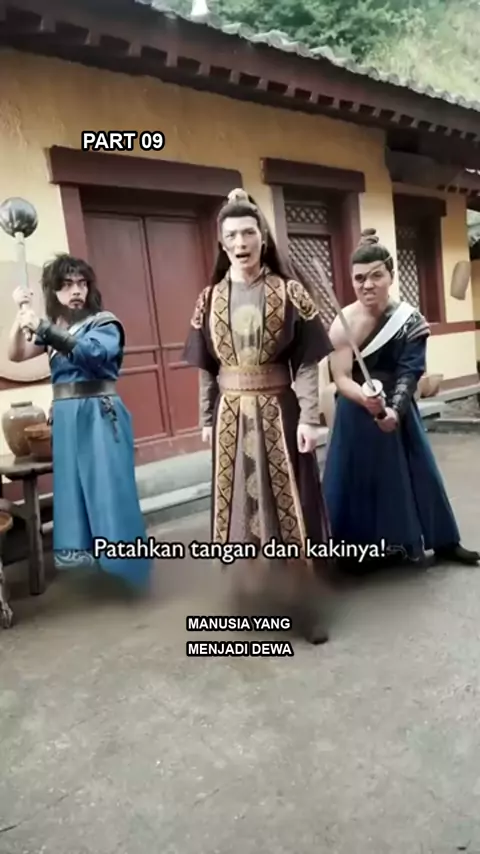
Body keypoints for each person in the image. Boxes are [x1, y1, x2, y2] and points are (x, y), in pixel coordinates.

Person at [183, 188, 334, 643]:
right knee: (240, 509)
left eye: (248, 232)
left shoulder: (289, 292)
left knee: (291, 507)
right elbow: (206, 368)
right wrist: (206, 418)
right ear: (221, 242)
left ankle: (305, 606)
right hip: (230, 415)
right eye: (231, 235)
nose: (240, 242)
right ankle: (254, 602)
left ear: (262, 237)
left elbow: (307, 362)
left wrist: (309, 417)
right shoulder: (208, 299)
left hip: (279, 412)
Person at [323, 228, 479, 572]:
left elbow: (411, 370)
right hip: (356, 410)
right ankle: (359, 553)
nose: (367, 285)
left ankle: (445, 542)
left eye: (376, 276)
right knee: (358, 480)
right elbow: (341, 377)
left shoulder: (410, 320)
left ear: (390, 276)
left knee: (422, 473)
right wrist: (366, 400)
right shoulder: (343, 322)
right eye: (359, 278)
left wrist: (393, 409)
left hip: (400, 404)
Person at [7, 253, 152, 589]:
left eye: (81, 283)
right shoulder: (56, 328)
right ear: (54, 291)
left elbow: (92, 354)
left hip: (98, 412)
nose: (76, 291)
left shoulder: (104, 323)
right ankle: (94, 568)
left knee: (109, 490)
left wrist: (42, 327)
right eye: (67, 285)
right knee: (74, 493)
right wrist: (20, 315)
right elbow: (16, 354)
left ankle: (127, 567)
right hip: (65, 417)